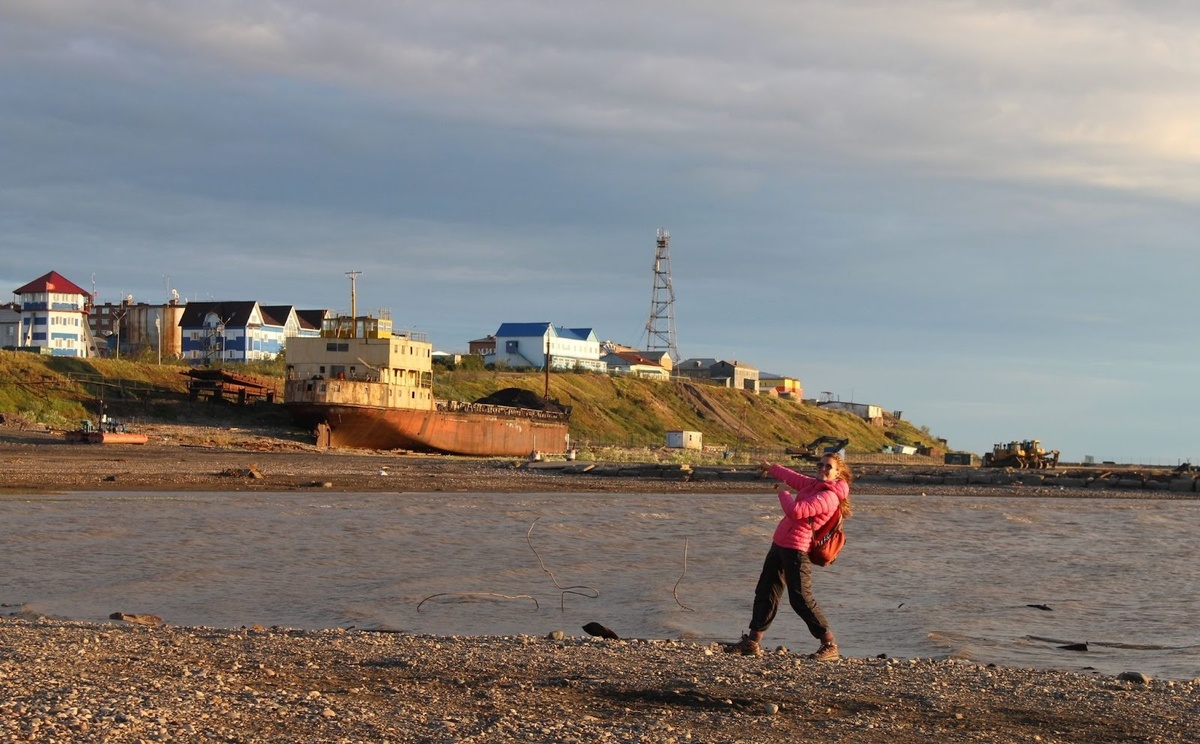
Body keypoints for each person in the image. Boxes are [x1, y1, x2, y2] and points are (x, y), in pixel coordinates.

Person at [724, 453, 854, 660]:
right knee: (765, 591)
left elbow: (796, 511)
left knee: (801, 599)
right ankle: (752, 641)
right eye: (819, 464)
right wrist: (771, 467)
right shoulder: (814, 485)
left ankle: (829, 644)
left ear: (838, 472)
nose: (822, 468)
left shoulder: (829, 496)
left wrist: (783, 493)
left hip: (797, 549)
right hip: (780, 545)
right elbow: (794, 477)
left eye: (827, 466)